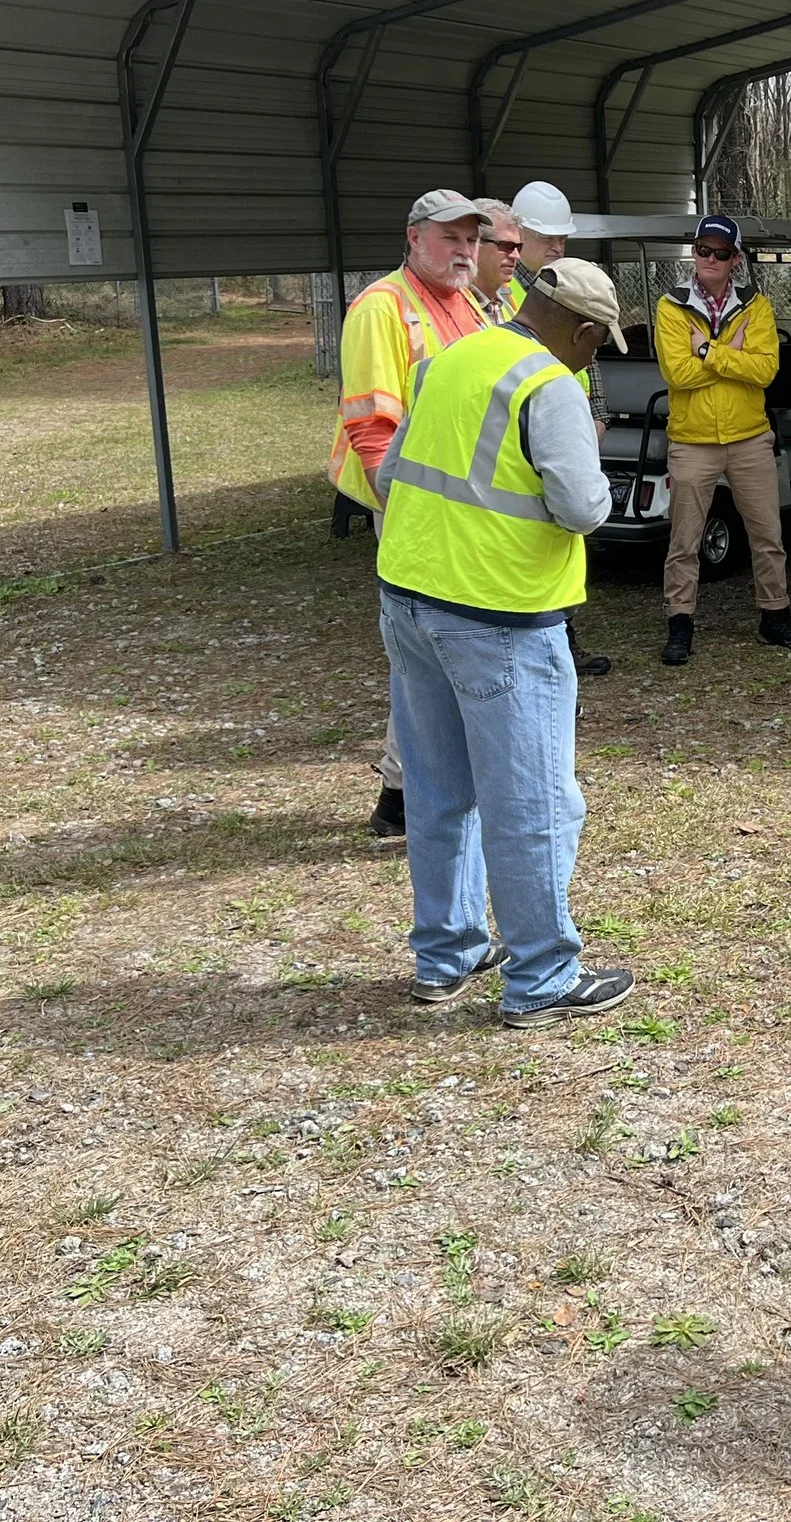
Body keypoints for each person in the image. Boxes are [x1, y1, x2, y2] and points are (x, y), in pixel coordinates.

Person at [374, 257, 635, 1028]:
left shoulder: (452, 358)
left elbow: (390, 475)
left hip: (410, 600)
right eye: (599, 343)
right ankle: (543, 977)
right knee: (533, 801)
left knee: (438, 786)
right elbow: (584, 509)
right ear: (581, 330)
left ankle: (447, 953)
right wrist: (585, 445)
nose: (596, 356)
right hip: (501, 619)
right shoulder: (549, 385)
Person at [328, 189, 492, 840]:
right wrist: (396, 512)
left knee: (438, 649)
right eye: (451, 237)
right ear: (413, 237)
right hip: (413, 511)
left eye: (471, 238)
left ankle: (415, 790)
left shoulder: (470, 304)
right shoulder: (381, 307)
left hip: (463, 511)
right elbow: (372, 425)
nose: (464, 250)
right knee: (423, 650)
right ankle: (403, 793)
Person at [652, 215, 791, 665]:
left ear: (735, 260)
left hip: (749, 439)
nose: (709, 258)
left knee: (768, 534)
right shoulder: (670, 306)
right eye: (702, 250)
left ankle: (775, 616)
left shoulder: (756, 305)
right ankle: (680, 622)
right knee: (684, 539)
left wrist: (705, 349)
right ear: (694, 254)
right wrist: (731, 354)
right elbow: (676, 374)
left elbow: (766, 371)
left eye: (720, 252)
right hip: (692, 441)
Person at [499, 180, 611, 679]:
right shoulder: (508, 296)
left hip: (570, 422)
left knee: (563, 538)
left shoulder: (562, 283)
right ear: (519, 234)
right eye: (548, 238)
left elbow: (588, 356)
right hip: (525, 432)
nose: (558, 247)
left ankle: (563, 639)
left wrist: (599, 415)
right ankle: (545, 645)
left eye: (563, 239)